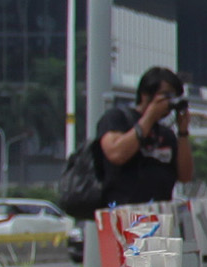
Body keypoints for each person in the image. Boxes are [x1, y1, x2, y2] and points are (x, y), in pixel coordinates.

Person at [83, 66, 193, 211]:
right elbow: (116, 154)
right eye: (166, 96)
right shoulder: (118, 119)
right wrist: (149, 117)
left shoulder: (166, 134)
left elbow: (185, 176)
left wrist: (183, 133)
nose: (169, 103)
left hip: (158, 215)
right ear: (146, 95)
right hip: (121, 214)